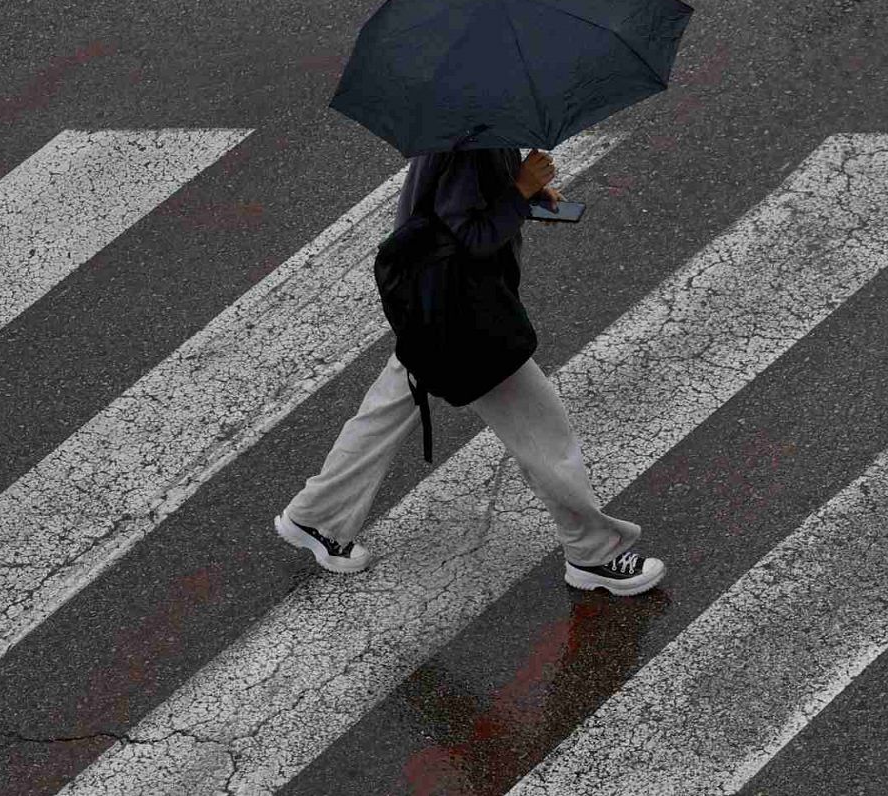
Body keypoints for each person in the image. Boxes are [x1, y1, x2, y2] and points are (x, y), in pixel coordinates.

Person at [273, 145, 665, 596]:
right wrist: (519, 191)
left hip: (433, 311)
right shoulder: (468, 141)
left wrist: (525, 194)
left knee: (387, 410)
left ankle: (318, 515)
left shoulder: (466, 123)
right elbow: (468, 236)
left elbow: (451, 211)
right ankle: (594, 553)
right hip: (467, 321)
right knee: (544, 435)